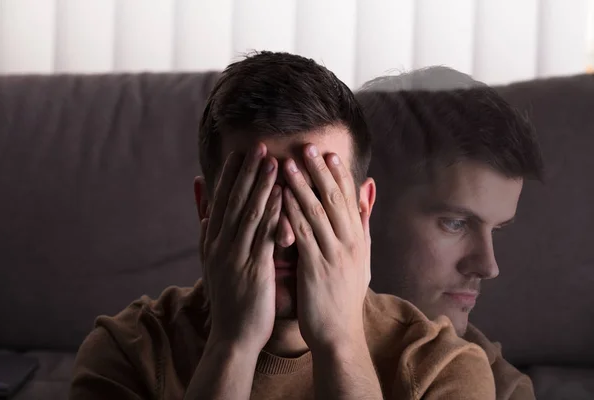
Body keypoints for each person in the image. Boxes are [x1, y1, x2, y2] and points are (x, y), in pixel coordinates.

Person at [70, 52, 495, 400]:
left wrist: (340, 343)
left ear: (362, 210)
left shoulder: (444, 369)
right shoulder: (126, 353)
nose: (287, 235)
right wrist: (231, 346)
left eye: (313, 201)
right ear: (208, 207)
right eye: (258, 198)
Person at [355, 66, 544, 400]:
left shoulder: (504, 388)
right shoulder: (256, 341)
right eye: (455, 223)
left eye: (496, 230)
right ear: (367, 208)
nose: (488, 266)